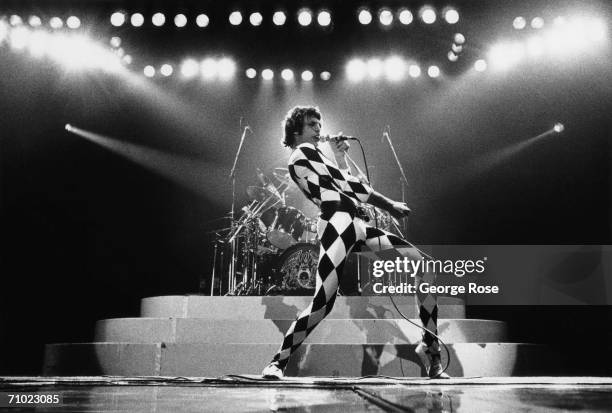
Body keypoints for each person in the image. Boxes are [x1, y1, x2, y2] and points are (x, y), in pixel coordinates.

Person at [261, 106, 449, 379]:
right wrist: (390, 205)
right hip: (336, 225)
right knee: (323, 303)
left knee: (424, 266)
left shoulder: (317, 157)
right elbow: (348, 185)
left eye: (319, 124)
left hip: (356, 226)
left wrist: (338, 156)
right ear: (296, 130)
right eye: (312, 124)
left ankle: (429, 349)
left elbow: (338, 180)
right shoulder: (301, 154)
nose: (318, 129)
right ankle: (277, 362)